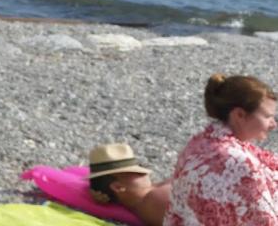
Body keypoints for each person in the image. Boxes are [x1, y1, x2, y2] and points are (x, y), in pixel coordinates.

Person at [165, 74, 278, 225]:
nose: (273, 124)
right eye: (267, 117)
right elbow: (264, 222)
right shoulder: (240, 162)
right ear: (239, 115)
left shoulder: (199, 143)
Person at [87, 142, 170, 226]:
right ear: (118, 187)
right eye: (134, 172)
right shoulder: (154, 202)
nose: (143, 171)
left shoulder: (152, 193)